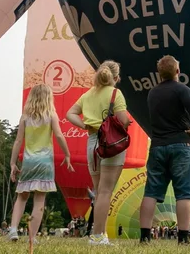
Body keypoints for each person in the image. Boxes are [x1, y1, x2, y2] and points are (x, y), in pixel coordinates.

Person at [137, 55, 190, 245]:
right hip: (181, 145)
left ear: (159, 74)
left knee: (151, 192)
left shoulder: (152, 93)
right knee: (183, 193)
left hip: (158, 145)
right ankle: (183, 238)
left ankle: (144, 237)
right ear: (177, 71)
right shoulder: (181, 89)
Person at [66, 60, 132, 245]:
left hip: (92, 142)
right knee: (105, 191)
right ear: (116, 78)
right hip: (110, 144)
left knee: (98, 191)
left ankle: (99, 234)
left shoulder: (87, 95)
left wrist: (85, 125)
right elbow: (123, 120)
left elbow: (70, 113)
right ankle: (97, 235)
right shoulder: (115, 94)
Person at [8, 84, 74, 245]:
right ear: (48, 98)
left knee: (22, 197)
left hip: (29, 161)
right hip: (45, 162)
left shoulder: (25, 117)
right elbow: (58, 135)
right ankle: (32, 236)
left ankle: (13, 229)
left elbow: (18, 141)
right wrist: (67, 154)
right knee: (39, 200)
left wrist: (12, 163)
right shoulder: (51, 115)